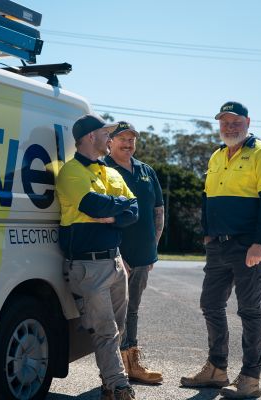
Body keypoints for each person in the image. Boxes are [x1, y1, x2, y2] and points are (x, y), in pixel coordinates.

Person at [180, 101, 261, 399]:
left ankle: (250, 378)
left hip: (248, 244)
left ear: (247, 122)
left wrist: (260, 242)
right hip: (218, 245)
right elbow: (207, 198)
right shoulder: (216, 155)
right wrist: (207, 233)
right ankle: (217, 369)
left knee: (249, 311)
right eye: (224, 122)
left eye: (235, 121)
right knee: (210, 304)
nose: (230, 127)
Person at [56, 113, 139, 400]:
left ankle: (109, 383)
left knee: (118, 328)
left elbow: (134, 210)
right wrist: (117, 208)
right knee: (106, 331)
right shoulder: (71, 172)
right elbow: (93, 205)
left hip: (114, 262)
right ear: (91, 137)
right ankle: (118, 386)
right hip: (88, 265)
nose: (110, 139)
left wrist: (113, 215)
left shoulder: (111, 172)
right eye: (106, 134)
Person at [104, 121, 164, 385]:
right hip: (115, 258)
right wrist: (118, 256)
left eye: (132, 140)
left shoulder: (146, 171)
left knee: (133, 310)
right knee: (113, 315)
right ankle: (113, 370)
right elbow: (99, 215)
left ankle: (132, 364)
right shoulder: (102, 169)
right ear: (109, 142)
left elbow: (158, 211)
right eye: (122, 139)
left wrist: (153, 247)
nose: (128, 144)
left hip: (142, 256)